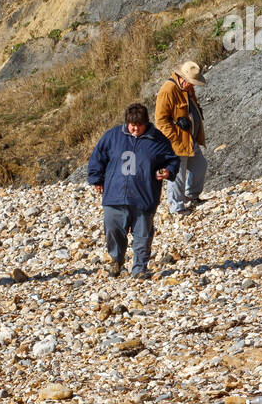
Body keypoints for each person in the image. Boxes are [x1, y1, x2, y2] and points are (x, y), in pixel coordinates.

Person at [87, 103, 180, 280]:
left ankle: (139, 269)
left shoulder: (158, 140)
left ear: (146, 123)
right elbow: (97, 157)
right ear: (126, 122)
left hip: (144, 197)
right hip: (114, 196)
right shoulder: (113, 136)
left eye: (139, 126)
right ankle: (116, 261)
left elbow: (173, 160)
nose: (135, 129)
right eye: (132, 125)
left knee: (143, 236)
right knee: (113, 231)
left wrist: (168, 171)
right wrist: (96, 178)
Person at [155, 60, 207, 215]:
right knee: (177, 174)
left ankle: (191, 196)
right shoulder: (168, 90)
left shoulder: (186, 89)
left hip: (189, 139)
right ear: (183, 78)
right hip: (176, 142)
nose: (193, 86)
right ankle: (176, 208)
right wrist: (174, 138)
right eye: (191, 82)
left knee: (200, 166)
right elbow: (161, 121)